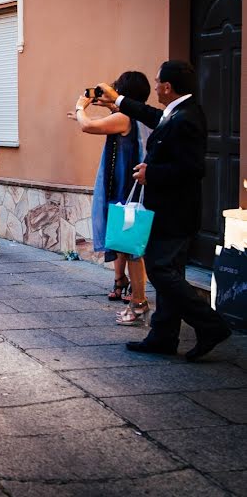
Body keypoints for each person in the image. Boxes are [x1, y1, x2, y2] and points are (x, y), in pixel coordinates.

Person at [96, 60, 231, 360]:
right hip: (172, 211)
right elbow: (154, 116)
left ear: (167, 87)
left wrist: (151, 173)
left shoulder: (186, 118)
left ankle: (210, 325)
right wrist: (116, 100)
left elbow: (192, 168)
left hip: (174, 213)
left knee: (160, 270)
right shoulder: (180, 111)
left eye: (157, 82)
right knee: (170, 271)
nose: (155, 87)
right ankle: (163, 336)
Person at [69, 71, 152, 326]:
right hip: (133, 187)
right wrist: (104, 102)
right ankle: (130, 291)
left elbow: (88, 126)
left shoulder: (124, 118)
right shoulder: (142, 115)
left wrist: (81, 108)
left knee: (130, 248)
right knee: (128, 246)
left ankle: (139, 302)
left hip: (124, 189)